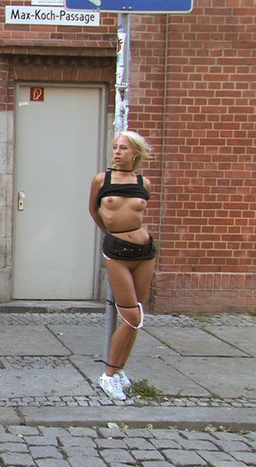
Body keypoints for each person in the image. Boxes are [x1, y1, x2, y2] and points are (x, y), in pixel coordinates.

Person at [88, 130, 155, 401]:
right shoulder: (102, 180)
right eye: (115, 147)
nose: (117, 152)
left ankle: (119, 370)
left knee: (136, 314)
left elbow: (139, 213)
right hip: (116, 251)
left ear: (135, 153)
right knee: (131, 316)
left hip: (144, 251)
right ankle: (108, 374)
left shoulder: (143, 182)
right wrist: (110, 232)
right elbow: (94, 210)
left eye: (123, 148)